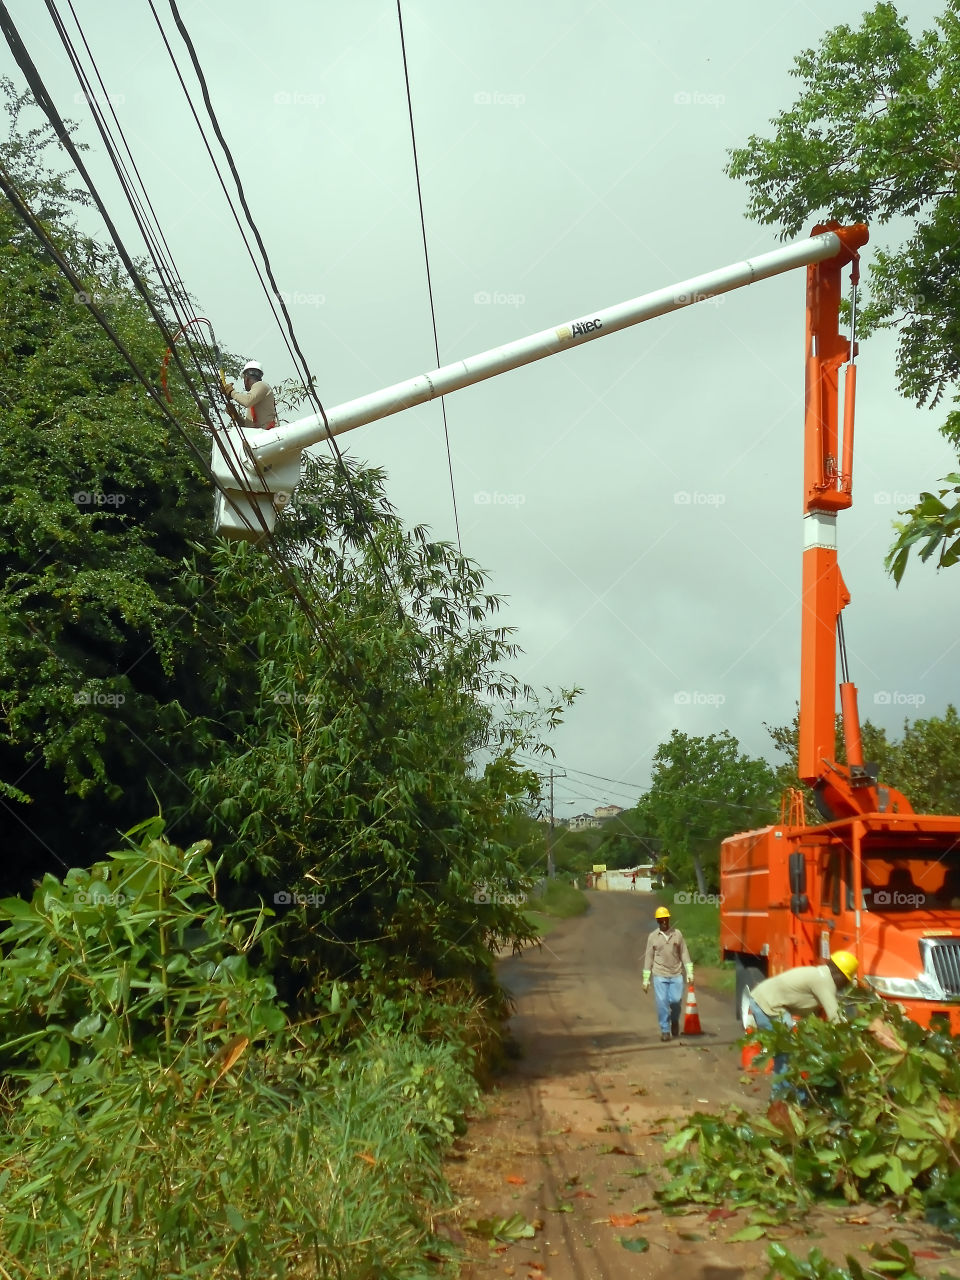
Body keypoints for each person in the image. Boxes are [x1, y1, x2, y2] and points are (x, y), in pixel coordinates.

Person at [746, 950, 858, 1085]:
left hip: (770, 1002)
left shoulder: (821, 974)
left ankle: (791, 1096)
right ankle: (781, 1099)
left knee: (794, 1048)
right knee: (787, 1052)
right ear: (840, 975)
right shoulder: (824, 982)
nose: (845, 985)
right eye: (846, 980)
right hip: (768, 1004)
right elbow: (836, 1018)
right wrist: (853, 1043)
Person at [642, 906, 694, 1041]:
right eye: (660, 920)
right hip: (659, 975)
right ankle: (665, 1030)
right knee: (662, 1003)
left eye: (665, 919)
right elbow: (649, 958)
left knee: (676, 1001)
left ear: (669, 919)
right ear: (657, 921)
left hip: (676, 974)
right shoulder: (653, 937)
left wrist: (689, 971)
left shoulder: (677, 934)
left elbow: (684, 953)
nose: (663, 922)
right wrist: (646, 979)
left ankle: (675, 1020)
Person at [225, 359, 278, 431]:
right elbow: (248, 429)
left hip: (268, 433)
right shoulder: (255, 398)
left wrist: (232, 392)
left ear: (246, 378)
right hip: (258, 436)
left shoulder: (261, 385)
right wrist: (236, 416)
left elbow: (247, 401)